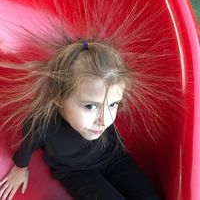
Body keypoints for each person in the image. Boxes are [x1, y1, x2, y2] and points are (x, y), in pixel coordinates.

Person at [0, 37, 162, 200]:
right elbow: (28, 144)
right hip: (78, 172)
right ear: (58, 98)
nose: (104, 120)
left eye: (113, 104)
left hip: (115, 158)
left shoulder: (100, 114)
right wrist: (21, 169)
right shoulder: (42, 124)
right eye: (91, 106)